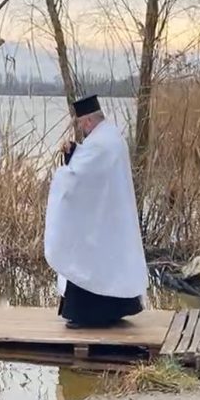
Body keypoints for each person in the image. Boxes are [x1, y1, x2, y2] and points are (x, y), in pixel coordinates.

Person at [45, 95, 149, 328]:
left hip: (100, 218)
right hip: (107, 214)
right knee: (108, 259)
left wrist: (61, 175)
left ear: (89, 120)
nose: (81, 128)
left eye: (81, 124)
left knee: (88, 259)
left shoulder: (101, 143)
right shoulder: (110, 136)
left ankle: (88, 315)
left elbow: (81, 176)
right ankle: (114, 309)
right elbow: (93, 169)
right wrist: (75, 152)